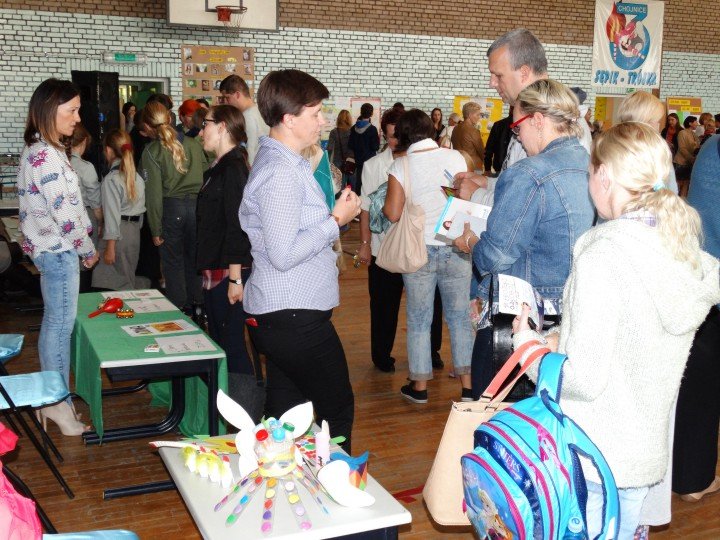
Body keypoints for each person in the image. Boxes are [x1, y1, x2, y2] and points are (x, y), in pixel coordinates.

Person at [512, 122, 720, 537]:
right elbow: (632, 336)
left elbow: (583, 378)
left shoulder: (604, 254)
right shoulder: (678, 250)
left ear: (604, 175)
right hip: (641, 456)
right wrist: (562, 336)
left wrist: (527, 344)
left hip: (593, 454)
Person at [239, 69, 361, 451]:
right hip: (292, 316)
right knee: (335, 411)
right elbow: (283, 254)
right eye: (315, 113)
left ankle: (280, 478)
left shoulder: (286, 162)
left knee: (284, 416)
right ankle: (336, 482)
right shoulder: (280, 172)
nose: (323, 121)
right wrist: (335, 221)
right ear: (289, 119)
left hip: (287, 314)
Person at [454, 79, 595, 400]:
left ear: (538, 120)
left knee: (501, 416)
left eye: (518, 128)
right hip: (573, 317)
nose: (517, 137)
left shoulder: (529, 173)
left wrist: (471, 242)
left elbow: (495, 256)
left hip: (522, 323)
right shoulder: (593, 166)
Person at [17, 78, 97, 435]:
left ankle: (53, 400)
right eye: (72, 110)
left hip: (51, 250)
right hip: (60, 251)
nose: (77, 118)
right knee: (60, 328)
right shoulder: (47, 154)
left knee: (55, 325)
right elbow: (64, 213)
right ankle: (57, 403)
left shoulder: (40, 148)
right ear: (51, 110)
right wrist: (87, 248)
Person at [382, 109, 473, 403]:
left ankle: (419, 387)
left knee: (420, 319)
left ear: (403, 135)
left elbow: (393, 213)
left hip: (418, 250)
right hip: (456, 245)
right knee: (460, 318)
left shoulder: (401, 166)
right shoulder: (456, 157)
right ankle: (468, 387)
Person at [673, 133, 720, 503]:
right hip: (708, 280)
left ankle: (691, 477)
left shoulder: (712, 147)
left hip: (700, 278)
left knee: (699, 387)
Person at [454, 28, 549, 203]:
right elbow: (515, 185)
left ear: (524, 72)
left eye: (498, 75)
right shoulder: (528, 114)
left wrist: (476, 195)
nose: (491, 83)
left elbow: (526, 205)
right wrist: (487, 183)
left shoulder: (557, 123)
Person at [196, 105, 253, 376]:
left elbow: (237, 226)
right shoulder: (220, 167)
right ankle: (226, 396)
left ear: (221, 127)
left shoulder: (233, 168)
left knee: (232, 345)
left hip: (228, 272)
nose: (201, 132)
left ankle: (245, 400)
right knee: (221, 341)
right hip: (216, 267)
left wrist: (235, 279)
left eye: (205, 125)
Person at [141, 101, 208, 312]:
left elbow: (153, 194)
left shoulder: (152, 151)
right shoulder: (193, 144)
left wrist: (155, 229)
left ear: (147, 126)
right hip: (196, 207)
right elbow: (206, 171)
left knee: (173, 263)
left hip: (171, 209)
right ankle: (199, 307)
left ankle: (181, 309)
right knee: (194, 260)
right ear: (170, 118)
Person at [91, 129, 145, 291]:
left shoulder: (111, 180)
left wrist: (110, 247)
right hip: (134, 232)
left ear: (108, 150)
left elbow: (112, 215)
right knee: (127, 278)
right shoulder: (137, 177)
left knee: (108, 282)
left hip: (117, 234)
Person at [616, 91, 679, 194]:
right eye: (656, 121)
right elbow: (671, 189)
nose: (658, 125)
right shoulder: (657, 149)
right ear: (646, 122)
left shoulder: (612, 142)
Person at [69, 125, 102, 292]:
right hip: (85, 216)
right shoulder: (86, 167)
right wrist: (100, 222)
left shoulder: (59, 163)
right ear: (83, 142)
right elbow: (95, 201)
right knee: (87, 261)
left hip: (63, 217)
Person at [219, 74, 270, 165]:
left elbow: (250, 151)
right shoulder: (259, 111)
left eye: (227, 98)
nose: (225, 102)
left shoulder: (247, 117)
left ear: (237, 94)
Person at [348, 102, 380, 196]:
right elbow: (375, 147)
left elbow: (350, 145)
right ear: (371, 114)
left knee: (359, 181)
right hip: (370, 161)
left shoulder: (353, 128)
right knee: (369, 183)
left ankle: (358, 198)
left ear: (361, 112)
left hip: (357, 160)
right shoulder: (372, 129)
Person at [450, 101, 484, 171]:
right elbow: (482, 152)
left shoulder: (455, 128)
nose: (479, 117)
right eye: (477, 115)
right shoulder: (474, 131)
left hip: (458, 165)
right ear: (470, 115)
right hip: (473, 167)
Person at [326, 109, 354, 190]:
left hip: (337, 162)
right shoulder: (353, 131)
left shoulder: (334, 132)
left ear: (338, 119)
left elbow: (329, 148)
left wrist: (327, 163)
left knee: (339, 187)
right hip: (351, 163)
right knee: (352, 187)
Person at [674, 115, 699, 196]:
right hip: (681, 162)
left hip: (690, 163)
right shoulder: (682, 133)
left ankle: (683, 200)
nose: (697, 124)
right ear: (690, 123)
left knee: (686, 183)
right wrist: (691, 159)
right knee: (679, 183)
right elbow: (682, 148)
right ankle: (674, 200)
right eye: (696, 122)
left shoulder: (694, 134)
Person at [483, 108, 512, 175]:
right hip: (516, 170)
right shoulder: (524, 126)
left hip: (499, 167)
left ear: (509, 110)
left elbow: (489, 148)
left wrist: (487, 168)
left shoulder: (498, 124)